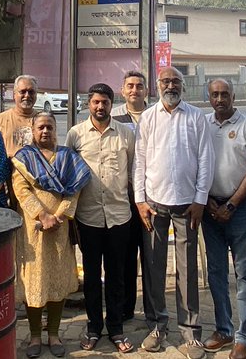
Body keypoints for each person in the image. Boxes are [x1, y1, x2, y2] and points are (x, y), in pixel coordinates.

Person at [133, 66, 214, 359]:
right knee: (154, 268)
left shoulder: (196, 117)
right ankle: (157, 326)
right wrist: (140, 200)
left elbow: (205, 160)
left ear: (183, 85)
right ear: (157, 85)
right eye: (166, 81)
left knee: (187, 269)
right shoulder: (148, 118)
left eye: (175, 81)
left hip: (187, 206)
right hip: (154, 205)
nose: (171, 85)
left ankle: (191, 332)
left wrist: (200, 199)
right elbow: (140, 162)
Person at [12, 112, 91, 359]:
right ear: (33, 131)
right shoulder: (24, 158)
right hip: (32, 230)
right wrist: (41, 216)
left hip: (60, 227)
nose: (45, 131)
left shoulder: (67, 156)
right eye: (40, 128)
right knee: (34, 281)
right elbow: (21, 190)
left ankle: (54, 333)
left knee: (57, 278)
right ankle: (35, 334)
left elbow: (75, 190)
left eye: (49, 127)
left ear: (56, 129)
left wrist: (58, 215)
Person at [67, 83, 137, 353]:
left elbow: (133, 173)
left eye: (105, 102)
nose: (100, 107)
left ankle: (117, 328)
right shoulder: (75, 135)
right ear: (89, 104)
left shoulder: (125, 134)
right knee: (93, 276)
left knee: (117, 274)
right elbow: (70, 174)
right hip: (89, 217)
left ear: (111, 103)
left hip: (120, 216)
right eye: (95, 102)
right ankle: (94, 326)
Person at [201, 79, 246, 359]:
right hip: (209, 209)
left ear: (233, 96)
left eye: (224, 94)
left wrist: (231, 204)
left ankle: (244, 337)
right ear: (209, 97)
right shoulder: (203, 123)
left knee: (245, 275)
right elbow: (195, 162)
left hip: (240, 211)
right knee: (216, 273)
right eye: (214, 94)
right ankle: (223, 329)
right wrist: (210, 202)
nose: (219, 98)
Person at [110, 70, 148, 322]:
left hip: (150, 196)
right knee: (125, 255)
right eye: (130, 86)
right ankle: (125, 307)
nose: (134, 90)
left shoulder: (155, 115)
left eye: (139, 86)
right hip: (122, 196)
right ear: (122, 90)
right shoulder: (113, 116)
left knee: (150, 255)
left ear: (146, 90)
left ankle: (154, 308)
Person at [0, 74, 41, 157]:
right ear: (14, 95)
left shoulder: (43, 121)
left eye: (31, 92)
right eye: (22, 92)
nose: (27, 95)